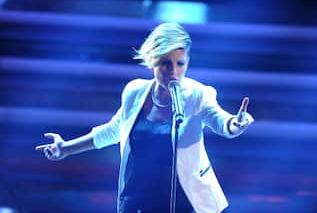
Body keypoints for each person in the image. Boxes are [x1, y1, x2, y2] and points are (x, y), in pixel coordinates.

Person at [35, 23, 254, 213]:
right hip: (139, 199)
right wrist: (65, 148)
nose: (173, 71)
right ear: (152, 61)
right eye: (165, 63)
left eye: (180, 63)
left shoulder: (198, 94)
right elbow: (113, 130)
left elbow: (220, 120)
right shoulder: (134, 92)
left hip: (188, 202)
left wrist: (235, 124)